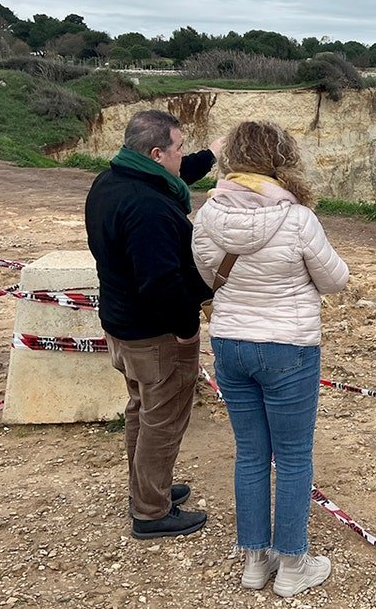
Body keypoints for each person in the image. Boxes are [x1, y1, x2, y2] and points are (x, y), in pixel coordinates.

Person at [192, 121, 348, 597]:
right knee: (295, 457)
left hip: (231, 344)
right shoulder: (298, 219)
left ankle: (255, 561)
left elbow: (207, 274)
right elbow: (335, 279)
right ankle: (294, 564)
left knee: (251, 453)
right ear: (280, 158)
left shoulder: (207, 215)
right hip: (288, 346)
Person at [85, 109, 221, 540]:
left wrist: (213, 153)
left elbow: (183, 174)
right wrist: (187, 329)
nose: (184, 155)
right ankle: (150, 511)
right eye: (180, 148)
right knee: (162, 422)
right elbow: (161, 285)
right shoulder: (150, 208)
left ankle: (147, 488)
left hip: (122, 326)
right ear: (157, 152)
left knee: (141, 412)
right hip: (155, 335)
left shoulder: (113, 182)